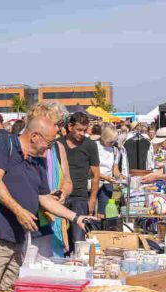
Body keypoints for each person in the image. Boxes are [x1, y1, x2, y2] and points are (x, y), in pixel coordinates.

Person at [0, 108, 91, 292]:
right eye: (49, 143)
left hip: (18, 235)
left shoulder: (39, 160)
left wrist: (76, 217)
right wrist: (18, 211)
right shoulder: (4, 145)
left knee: (6, 289)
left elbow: (43, 197)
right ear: (34, 136)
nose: (49, 149)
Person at [28, 102, 73, 259]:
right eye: (57, 124)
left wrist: (63, 194)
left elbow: (67, 181)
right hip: (32, 220)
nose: (60, 129)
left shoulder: (58, 148)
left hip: (55, 221)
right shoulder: (27, 148)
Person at [60, 112, 99, 245]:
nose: (82, 133)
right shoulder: (58, 144)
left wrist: (92, 199)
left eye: (84, 130)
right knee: (59, 239)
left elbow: (95, 175)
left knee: (78, 239)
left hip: (80, 197)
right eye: (79, 130)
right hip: (60, 196)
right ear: (70, 127)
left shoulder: (90, 145)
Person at [95, 124, 125, 216]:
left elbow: (115, 168)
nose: (112, 144)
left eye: (114, 141)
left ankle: (100, 228)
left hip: (107, 184)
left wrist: (120, 176)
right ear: (103, 137)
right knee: (89, 210)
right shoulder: (95, 146)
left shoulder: (115, 150)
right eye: (110, 141)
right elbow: (90, 168)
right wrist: (104, 177)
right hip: (93, 181)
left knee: (103, 212)